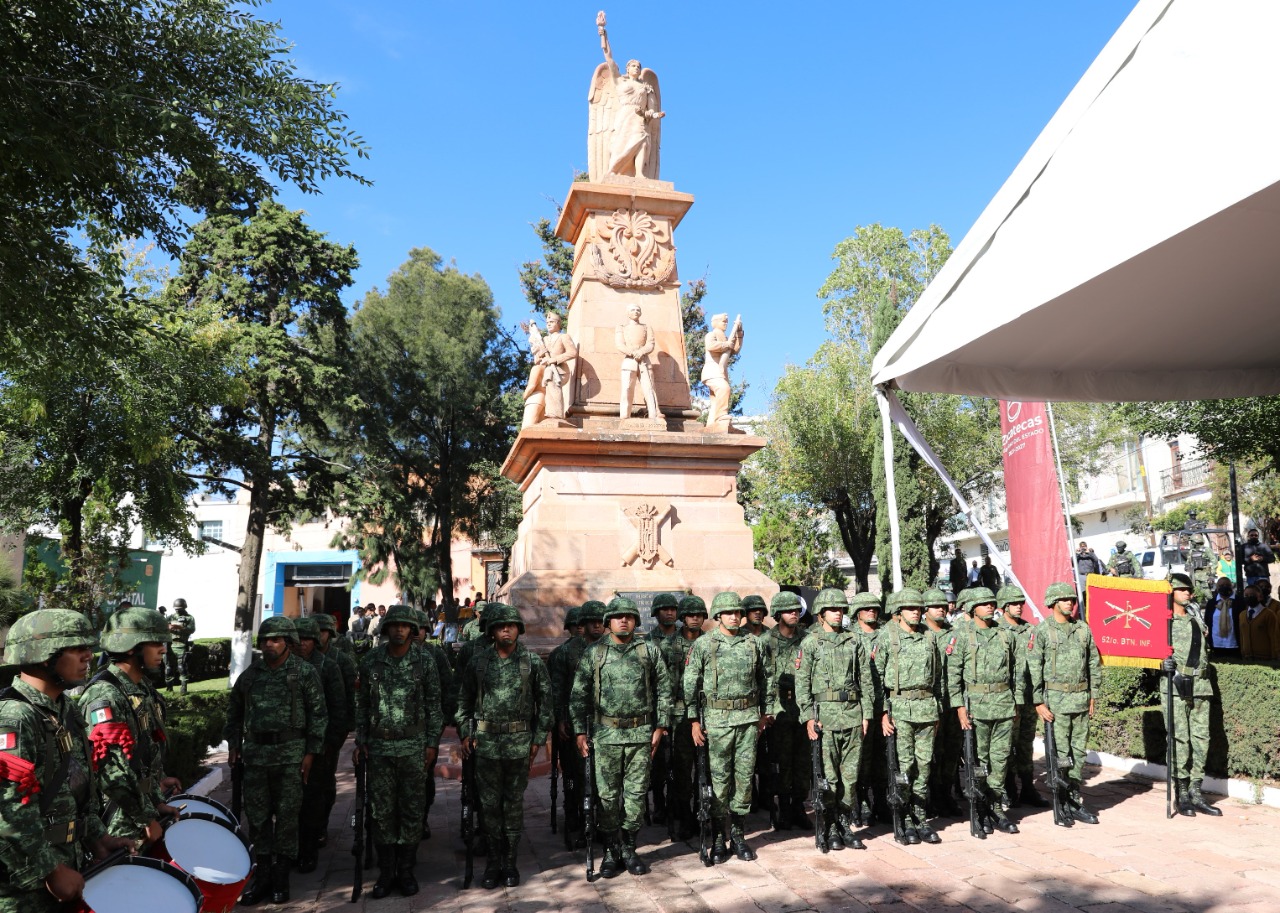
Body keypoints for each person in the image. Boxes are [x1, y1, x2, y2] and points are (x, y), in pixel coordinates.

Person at [0, 610, 136, 912]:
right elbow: (6, 811)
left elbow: (73, 791)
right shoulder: (14, 717)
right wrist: (51, 870)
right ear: (44, 656)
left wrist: (98, 838)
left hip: (65, 869)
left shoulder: (64, 710)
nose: (89, 655)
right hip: (22, 888)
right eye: (77, 648)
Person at [224, 615, 327, 905]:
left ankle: (282, 880)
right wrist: (234, 743)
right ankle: (263, 878)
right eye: (266, 640)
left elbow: (319, 716)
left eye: (276, 639)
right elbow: (234, 712)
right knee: (257, 819)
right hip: (256, 757)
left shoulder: (304, 673)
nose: (270, 644)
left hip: (291, 756)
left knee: (286, 818)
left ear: (288, 643)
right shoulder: (251, 675)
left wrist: (310, 753)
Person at [571, 597, 671, 878]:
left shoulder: (648, 650)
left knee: (637, 796)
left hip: (641, 734)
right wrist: (580, 731)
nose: (623, 620)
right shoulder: (595, 653)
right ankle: (612, 851)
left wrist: (660, 727)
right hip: (606, 735)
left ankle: (629, 847)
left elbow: (664, 688)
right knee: (607, 797)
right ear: (608, 622)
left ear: (636, 621)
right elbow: (578, 694)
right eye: (617, 617)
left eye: (628, 616)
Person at [458, 604, 552, 889]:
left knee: (512, 805)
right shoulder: (479, 662)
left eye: (511, 625)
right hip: (486, 745)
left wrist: (538, 739)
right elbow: (464, 701)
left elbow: (546, 704)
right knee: (488, 806)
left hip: (519, 745)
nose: (506, 630)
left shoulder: (531, 662)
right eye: (501, 627)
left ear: (518, 630)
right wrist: (465, 732)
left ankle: (510, 862)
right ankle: (492, 861)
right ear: (492, 632)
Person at [356, 605, 443, 897]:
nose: (399, 630)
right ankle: (385, 871)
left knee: (411, 809)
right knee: (381, 811)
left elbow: (434, 706)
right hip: (379, 748)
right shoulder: (371, 661)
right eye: (394, 625)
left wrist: (432, 744)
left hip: (413, 748)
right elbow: (363, 705)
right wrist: (361, 740)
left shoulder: (424, 661)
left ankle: (405, 871)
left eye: (405, 625)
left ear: (412, 629)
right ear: (386, 628)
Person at [683, 591, 773, 863]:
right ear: (718, 616)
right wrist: (694, 720)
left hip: (747, 722)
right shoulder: (704, 644)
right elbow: (690, 682)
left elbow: (767, 678)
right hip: (717, 722)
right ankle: (719, 838)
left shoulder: (753, 643)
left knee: (744, 781)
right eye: (729, 613)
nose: (734, 617)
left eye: (738, 612)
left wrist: (765, 713)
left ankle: (738, 834)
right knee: (719, 783)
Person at [82, 608, 182, 844]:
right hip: (120, 820)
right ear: (131, 647)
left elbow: (146, 751)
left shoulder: (141, 687)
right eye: (155, 643)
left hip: (143, 810)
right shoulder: (105, 694)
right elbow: (110, 770)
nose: (163, 649)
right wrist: (146, 818)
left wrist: (157, 792)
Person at [797, 588, 873, 851]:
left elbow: (865, 680)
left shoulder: (854, 641)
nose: (838, 613)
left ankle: (844, 823)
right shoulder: (810, 643)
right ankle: (829, 826)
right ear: (820, 615)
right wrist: (808, 717)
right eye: (832, 610)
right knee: (828, 777)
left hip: (852, 715)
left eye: (841, 609)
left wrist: (867, 714)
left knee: (850, 777)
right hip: (824, 719)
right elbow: (802, 684)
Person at [949, 586, 1021, 835]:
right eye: (984, 603)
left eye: (992, 602)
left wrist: (1016, 703)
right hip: (975, 708)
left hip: (1002, 705)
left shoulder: (1005, 634)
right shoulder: (961, 635)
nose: (990, 606)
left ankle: (996, 807)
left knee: (1000, 761)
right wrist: (959, 707)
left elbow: (1015, 672)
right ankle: (979, 806)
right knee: (977, 762)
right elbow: (953, 675)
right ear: (972, 609)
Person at [1029, 582, 1103, 825]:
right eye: (1064, 600)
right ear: (1052, 603)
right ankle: (1060, 801)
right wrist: (1038, 702)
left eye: (1071, 599)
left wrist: (1093, 694)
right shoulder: (1042, 632)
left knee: (1078, 755)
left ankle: (1074, 799)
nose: (1070, 603)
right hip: (1056, 704)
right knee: (1060, 755)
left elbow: (1093, 662)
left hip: (1080, 700)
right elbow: (1033, 669)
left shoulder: (1082, 629)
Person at [876, 588, 944, 845]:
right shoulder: (888, 637)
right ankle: (903, 818)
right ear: (899, 611)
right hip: (900, 709)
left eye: (919, 608)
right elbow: (877, 679)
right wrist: (884, 712)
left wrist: (936, 709)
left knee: (924, 766)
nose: (916, 612)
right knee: (904, 767)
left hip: (926, 708)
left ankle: (920, 816)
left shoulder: (929, 638)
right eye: (910, 608)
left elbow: (938, 677)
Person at [1161, 574, 1223, 817]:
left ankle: (1197, 791)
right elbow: (1148, 655)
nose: (1189, 594)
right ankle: (1182, 793)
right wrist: (1160, 664)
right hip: (1176, 686)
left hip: (1201, 685)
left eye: (1189, 590)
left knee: (1201, 738)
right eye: (1183, 590)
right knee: (1179, 739)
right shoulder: (1164, 623)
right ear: (1171, 592)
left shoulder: (1196, 617)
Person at [291, 617, 349, 873]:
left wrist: (332, 743)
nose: (302, 644)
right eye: (298, 639)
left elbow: (341, 707)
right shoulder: (286, 666)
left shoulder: (330, 666)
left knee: (315, 797)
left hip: (321, 744)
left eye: (308, 639)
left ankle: (310, 846)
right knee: (290, 801)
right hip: (289, 747)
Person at [761, 591, 813, 832]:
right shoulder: (765, 642)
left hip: (803, 709)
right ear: (778, 614)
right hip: (778, 710)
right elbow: (759, 679)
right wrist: (766, 710)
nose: (794, 614)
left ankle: (799, 806)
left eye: (796, 610)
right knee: (782, 762)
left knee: (803, 761)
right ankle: (782, 807)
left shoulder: (808, 638)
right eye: (789, 610)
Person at [594, 12, 664, 179]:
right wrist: (602, 31)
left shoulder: (646, 87)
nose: (636, 68)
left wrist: (655, 114)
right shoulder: (620, 82)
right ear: (627, 69)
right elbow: (609, 58)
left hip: (639, 118)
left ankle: (640, 174)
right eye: (633, 65)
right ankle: (614, 171)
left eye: (638, 66)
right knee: (621, 144)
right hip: (625, 116)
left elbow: (648, 111)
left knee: (643, 142)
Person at [997, 585, 1047, 809]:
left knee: (1026, 743)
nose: (1019, 607)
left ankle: (1028, 786)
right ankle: (1008, 788)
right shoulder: (996, 630)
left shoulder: (1031, 630)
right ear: (1004, 607)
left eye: (1020, 603)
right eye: (1014, 604)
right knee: (1006, 744)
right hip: (1006, 700)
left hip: (1029, 697)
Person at [313, 613, 357, 837]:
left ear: (329, 634)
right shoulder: (301, 659)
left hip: (331, 729)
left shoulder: (340, 660)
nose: (317, 636)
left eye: (322, 631)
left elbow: (350, 696)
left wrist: (345, 728)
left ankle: (321, 826)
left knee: (324, 780)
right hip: (306, 733)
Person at [670, 595, 707, 839]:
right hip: (678, 717)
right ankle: (683, 817)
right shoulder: (667, 645)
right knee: (682, 771)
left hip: (707, 714)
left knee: (706, 769)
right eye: (691, 614)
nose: (695, 618)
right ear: (683, 618)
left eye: (699, 615)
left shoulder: (710, 643)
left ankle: (701, 813)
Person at [922, 588, 962, 817]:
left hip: (952, 703)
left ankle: (945, 794)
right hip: (928, 705)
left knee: (951, 752)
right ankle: (930, 797)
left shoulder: (955, 634)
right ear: (925, 609)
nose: (941, 609)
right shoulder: (920, 634)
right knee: (930, 754)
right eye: (936, 606)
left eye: (943, 606)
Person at [850, 592, 887, 824]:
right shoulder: (850, 638)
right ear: (857, 612)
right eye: (866, 608)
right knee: (861, 759)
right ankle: (860, 801)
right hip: (859, 706)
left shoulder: (885, 636)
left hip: (884, 704)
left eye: (874, 608)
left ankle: (881, 801)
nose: (871, 611)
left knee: (882, 759)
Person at [615, 304, 660, 421]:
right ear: (628, 313)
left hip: (644, 360)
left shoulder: (647, 327)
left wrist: (642, 352)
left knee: (649, 388)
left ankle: (653, 414)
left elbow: (651, 343)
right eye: (633, 310)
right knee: (627, 388)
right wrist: (633, 353)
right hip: (629, 361)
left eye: (638, 310)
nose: (635, 312)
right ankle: (625, 415)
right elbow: (620, 344)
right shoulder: (622, 328)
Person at [701, 313, 743, 429]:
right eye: (723, 321)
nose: (725, 324)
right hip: (712, 370)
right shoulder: (711, 334)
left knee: (715, 401)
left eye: (726, 322)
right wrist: (726, 344)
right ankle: (721, 417)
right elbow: (710, 346)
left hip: (721, 371)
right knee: (724, 389)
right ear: (715, 322)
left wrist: (739, 333)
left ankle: (711, 425)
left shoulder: (725, 338)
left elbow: (736, 349)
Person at [1238, 584, 1280, 660]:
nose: (1248, 597)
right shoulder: (1242, 615)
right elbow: (1242, 636)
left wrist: (1275, 656)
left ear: (1260, 597)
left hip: (1265, 657)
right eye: (1246, 595)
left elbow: (1274, 636)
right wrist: (1243, 653)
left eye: (1252, 595)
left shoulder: (1269, 614)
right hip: (1247, 657)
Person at [165, 597, 196, 693]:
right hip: (170, 645)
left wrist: (180, 627)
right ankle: (169, 689)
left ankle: (183, 688)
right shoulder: (170, 617)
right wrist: (168, 627)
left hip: (182, 645)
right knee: (168, 668)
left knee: (181, 667)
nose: (177, 610)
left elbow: (192, 629)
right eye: (176, 609)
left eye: (179, 609)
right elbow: (162, 627)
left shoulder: (189, 618)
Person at [1204, 577, 1240, 656]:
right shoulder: (1211, 603)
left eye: (1227, 585)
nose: (1224, 587)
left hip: (1235, 644)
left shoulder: (1239, 602)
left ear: (1231, 586)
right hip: (1216, 643)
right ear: (1217, 588)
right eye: (1221, 585)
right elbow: (1207, 621)